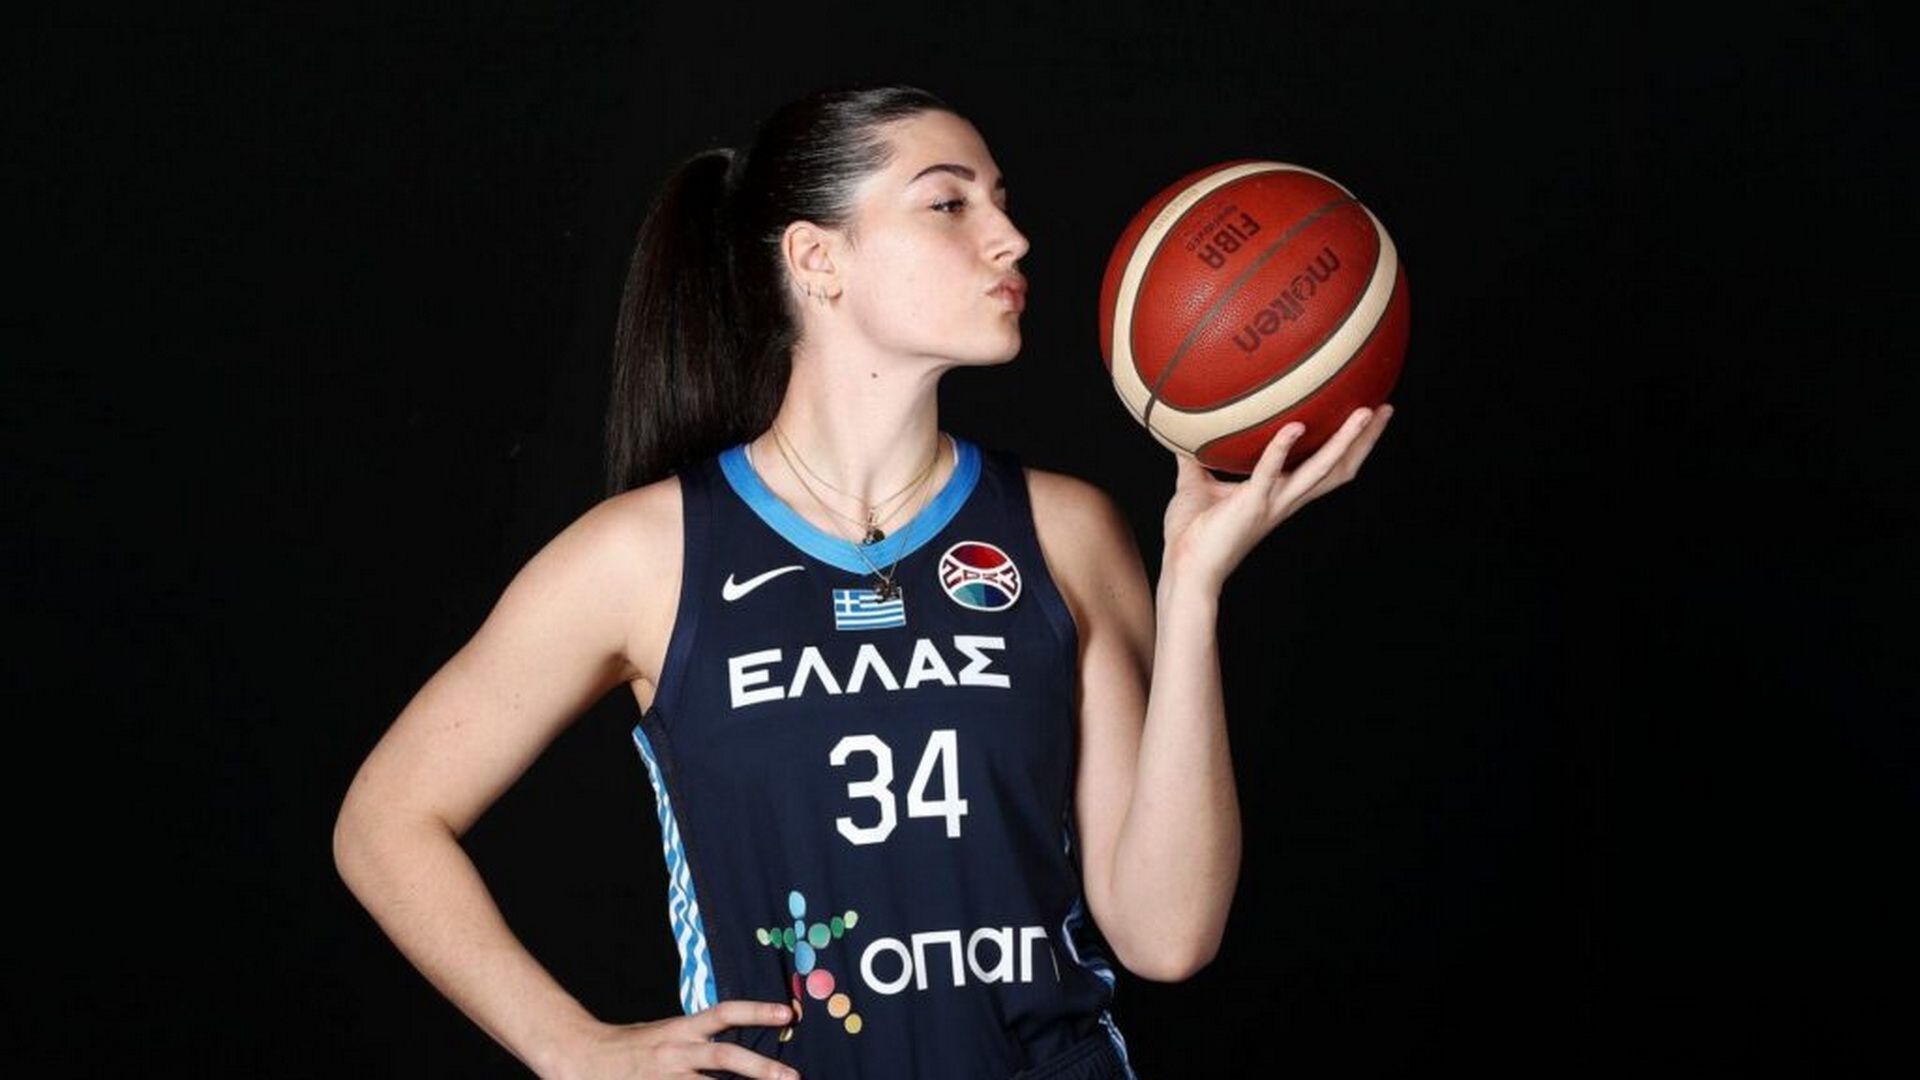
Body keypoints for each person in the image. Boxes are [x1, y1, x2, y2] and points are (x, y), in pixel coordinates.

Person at [332, 83, 1393, 1080]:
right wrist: (570, 1048)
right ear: (817, 259)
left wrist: (1193, 587)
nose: (1011, 237)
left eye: (1002, 201)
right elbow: (385, 822)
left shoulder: (1065, 532)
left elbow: (1167, 935)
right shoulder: (645, 555)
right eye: (949, 203)